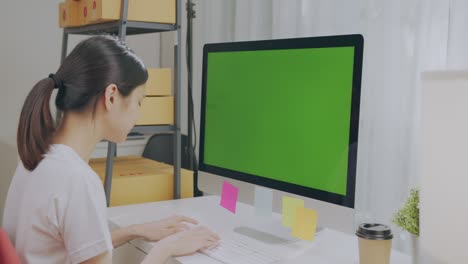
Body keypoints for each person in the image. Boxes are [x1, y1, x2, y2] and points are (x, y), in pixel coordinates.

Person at [2, 35, 220, 264]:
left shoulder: (37, 158)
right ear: (111, 96)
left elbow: (66, 246)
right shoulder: (77, 181)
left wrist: (133, 231)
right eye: (139, 101)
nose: (139, 114)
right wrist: (168, 247)